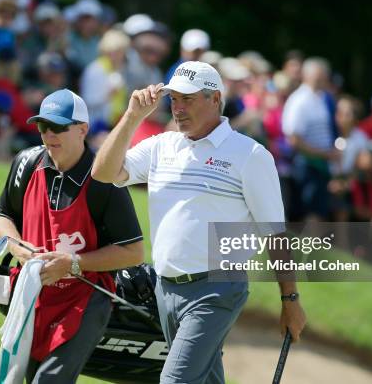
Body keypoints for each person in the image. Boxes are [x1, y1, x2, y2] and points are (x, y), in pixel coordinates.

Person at [91, 61, 306, 383]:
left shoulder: (249, 155)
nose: (178, 108)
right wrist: (132, 116)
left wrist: (290, 299)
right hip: (165, 287)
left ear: (215, 98)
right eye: (173, 99)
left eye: (188, 99)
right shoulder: (162, 146)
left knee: (174, 380)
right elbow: (103, 173)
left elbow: (274, 233)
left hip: (216, 289)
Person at [0, 88, 144, 383]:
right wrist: (16, 245)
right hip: (32, 295)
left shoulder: (104, 179)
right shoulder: (26, 163)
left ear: (82, 130)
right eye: (43, 127)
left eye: (59, 127)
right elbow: (2, 215)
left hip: (84, 299)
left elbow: (133, 252)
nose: (49, 135)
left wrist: (72, 263)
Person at [282, 57, 337, 220]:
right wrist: (324, 154)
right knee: (310, 211)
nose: (322, 80)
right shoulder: (299, 100)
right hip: (306, 164)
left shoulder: (322, 98)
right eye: (319, 76)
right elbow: (293, 139)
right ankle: (309, 245)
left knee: (318, 210)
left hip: (320, 163)